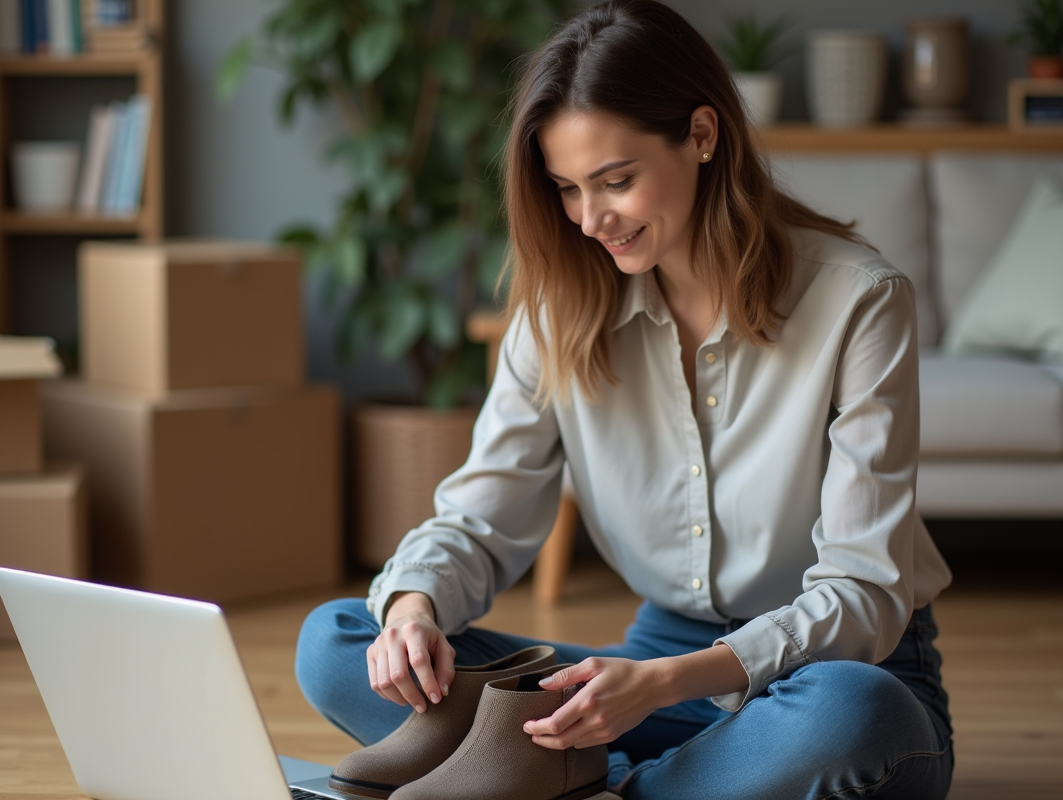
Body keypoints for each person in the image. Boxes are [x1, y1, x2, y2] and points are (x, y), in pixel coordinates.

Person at [295, 1, 954, 797]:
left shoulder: (859, 299)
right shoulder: (560, 310)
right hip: (650, 671)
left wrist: (665, 683)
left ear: (702, 135)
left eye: (616, 181)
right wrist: (412, 614)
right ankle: (649, 779)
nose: (589, 220)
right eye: (567, 189)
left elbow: (864, 596)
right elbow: (479, 522)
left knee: (853, 715)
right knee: (337, 641)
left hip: (832, 671)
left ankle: (576, 782)